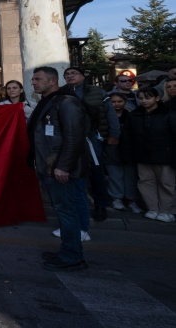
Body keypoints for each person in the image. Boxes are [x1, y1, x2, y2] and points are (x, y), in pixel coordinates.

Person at [28, 66, 89, 271]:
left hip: (59, 169)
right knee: (62, 212)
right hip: (48, 166)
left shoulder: (67, 102)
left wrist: (63, 167)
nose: (33, 82)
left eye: (37, 79)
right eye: (33, 79)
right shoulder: (48, 101)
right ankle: (67, 251)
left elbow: (74, 137)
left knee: (67, 212)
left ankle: (72, 256)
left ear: (53, 81)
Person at [64, 66, 120, 222]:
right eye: (67, 74)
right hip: (70, 140)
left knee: (96, 172)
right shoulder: (62, 93)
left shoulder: (97, 92)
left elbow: (110, 113)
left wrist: (114, 134)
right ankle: (75, 205)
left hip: (93, 138)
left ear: (82, 76)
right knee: (71, 172)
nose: (70, 76)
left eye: (73, 73)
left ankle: (101, 205)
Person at [125, 87, 176, 222]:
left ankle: (167, 210)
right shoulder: (135, 115)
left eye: (147, 97)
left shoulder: (168, 114)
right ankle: (153, 208)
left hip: (165, 155)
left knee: (167, 183)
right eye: (141, 98)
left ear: (157, 98)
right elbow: (128, 136)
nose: (144, 101)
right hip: (143, 155)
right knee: (146, 183)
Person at [107, 93, 141, 213]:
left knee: (129, 177)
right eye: (113, 102)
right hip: (112, 149)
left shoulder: (132, 115)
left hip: (129, 149)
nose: (116, 104)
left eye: (119, 101)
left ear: (124, 102)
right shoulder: (106, 116)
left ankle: (131, 199)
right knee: (115, 176)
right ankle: (116, 198)